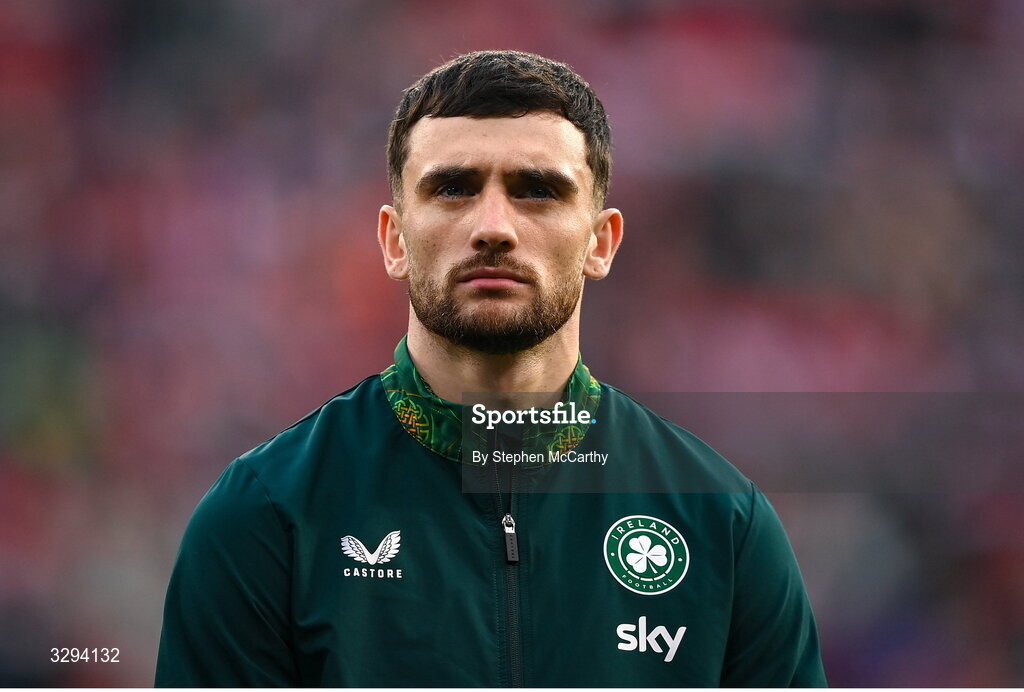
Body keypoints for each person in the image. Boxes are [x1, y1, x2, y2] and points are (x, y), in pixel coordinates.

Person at [155, 50, 827, 687]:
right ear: (393, 240)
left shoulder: (721, 525)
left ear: (601, 242)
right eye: (453, 188)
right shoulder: (267, 517)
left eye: (538, 190)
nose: (494, 226)